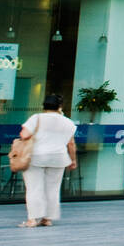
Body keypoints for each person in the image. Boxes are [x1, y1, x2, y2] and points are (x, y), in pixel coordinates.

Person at [17, 93, 77, 228]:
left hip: (36, 157)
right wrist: (73, 160)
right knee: (53, 189)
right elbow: (71, 144)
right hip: (58, 158)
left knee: (34, 188)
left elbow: (24, 135)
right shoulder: (68, 122)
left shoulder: (36, 118)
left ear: (44, 105)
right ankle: (47, 219)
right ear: (60, 106)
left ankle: (33, 219)